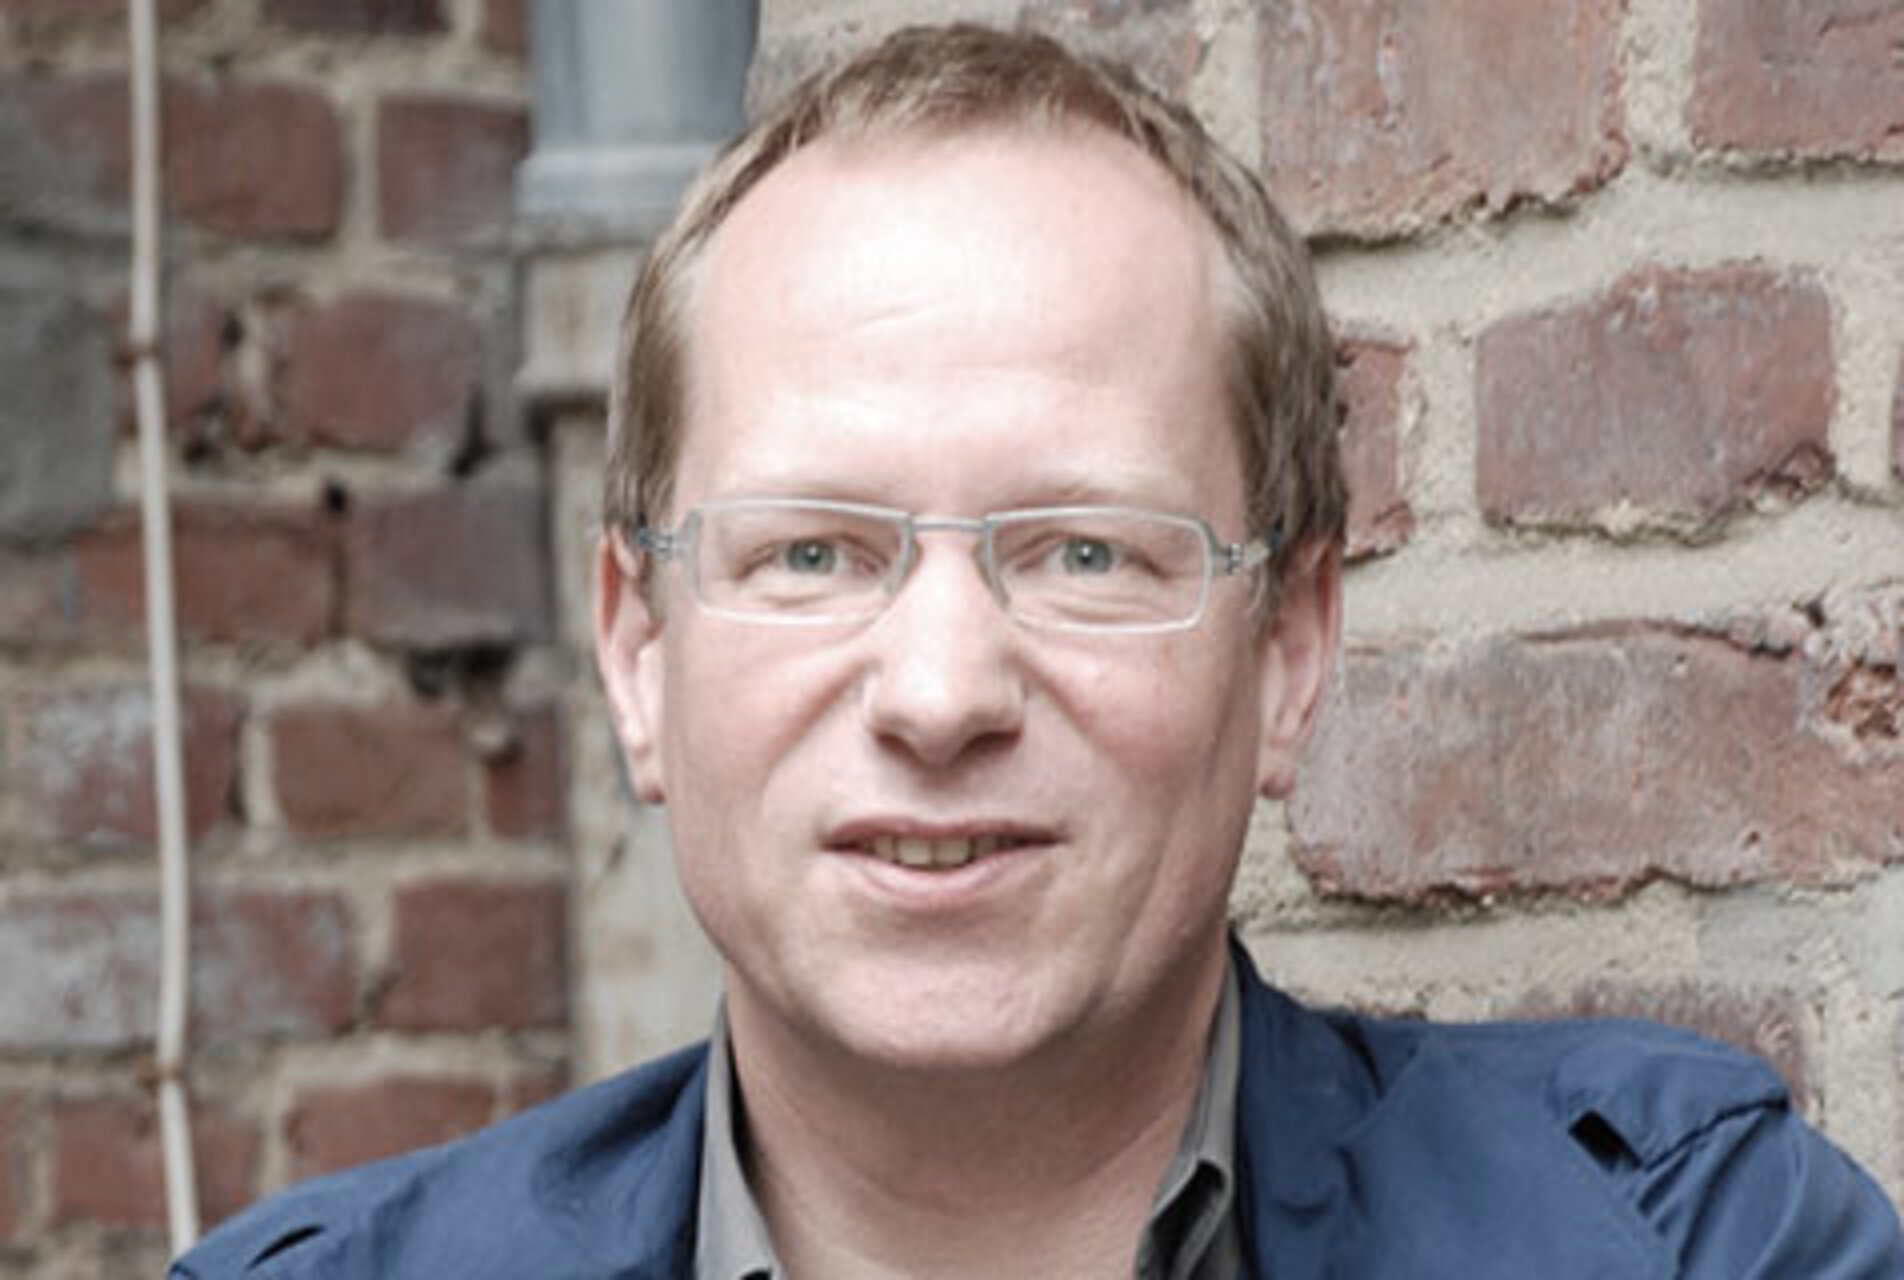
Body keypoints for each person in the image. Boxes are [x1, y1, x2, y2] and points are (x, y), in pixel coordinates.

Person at [173, 23, 1903, 1279]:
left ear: (1287, 654)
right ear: (638, 650)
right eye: (812, 554)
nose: (939, 697)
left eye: (1085, 553)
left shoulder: (1685, 1242)